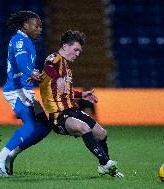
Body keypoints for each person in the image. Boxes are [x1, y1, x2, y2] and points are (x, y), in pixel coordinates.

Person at [37, 30, 124, 177]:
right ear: (65, 46)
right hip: (58, 115)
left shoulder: (67, 69)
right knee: (84, 127)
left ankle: (104, 166)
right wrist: (57, 78)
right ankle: (106, 163)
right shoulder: (55, 58)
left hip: (72, 110)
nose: (78, 53)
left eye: (79, 51)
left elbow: (67, 91)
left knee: (101, 133)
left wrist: (81, 94)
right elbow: (48, 67)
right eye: (76, 49)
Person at [0, 11, 51, 177]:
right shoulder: (18, 40)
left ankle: (11, 154)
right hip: (15, 90)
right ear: (25, 25)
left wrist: (31, 73)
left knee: (45, 127)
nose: (40, 29)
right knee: (31, 125)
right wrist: (30, 72)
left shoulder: (27, 42)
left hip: (25, 90)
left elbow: (22, 66)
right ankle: (1, 157)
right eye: (36, 26)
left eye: (41, 26)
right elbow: (21, 62)